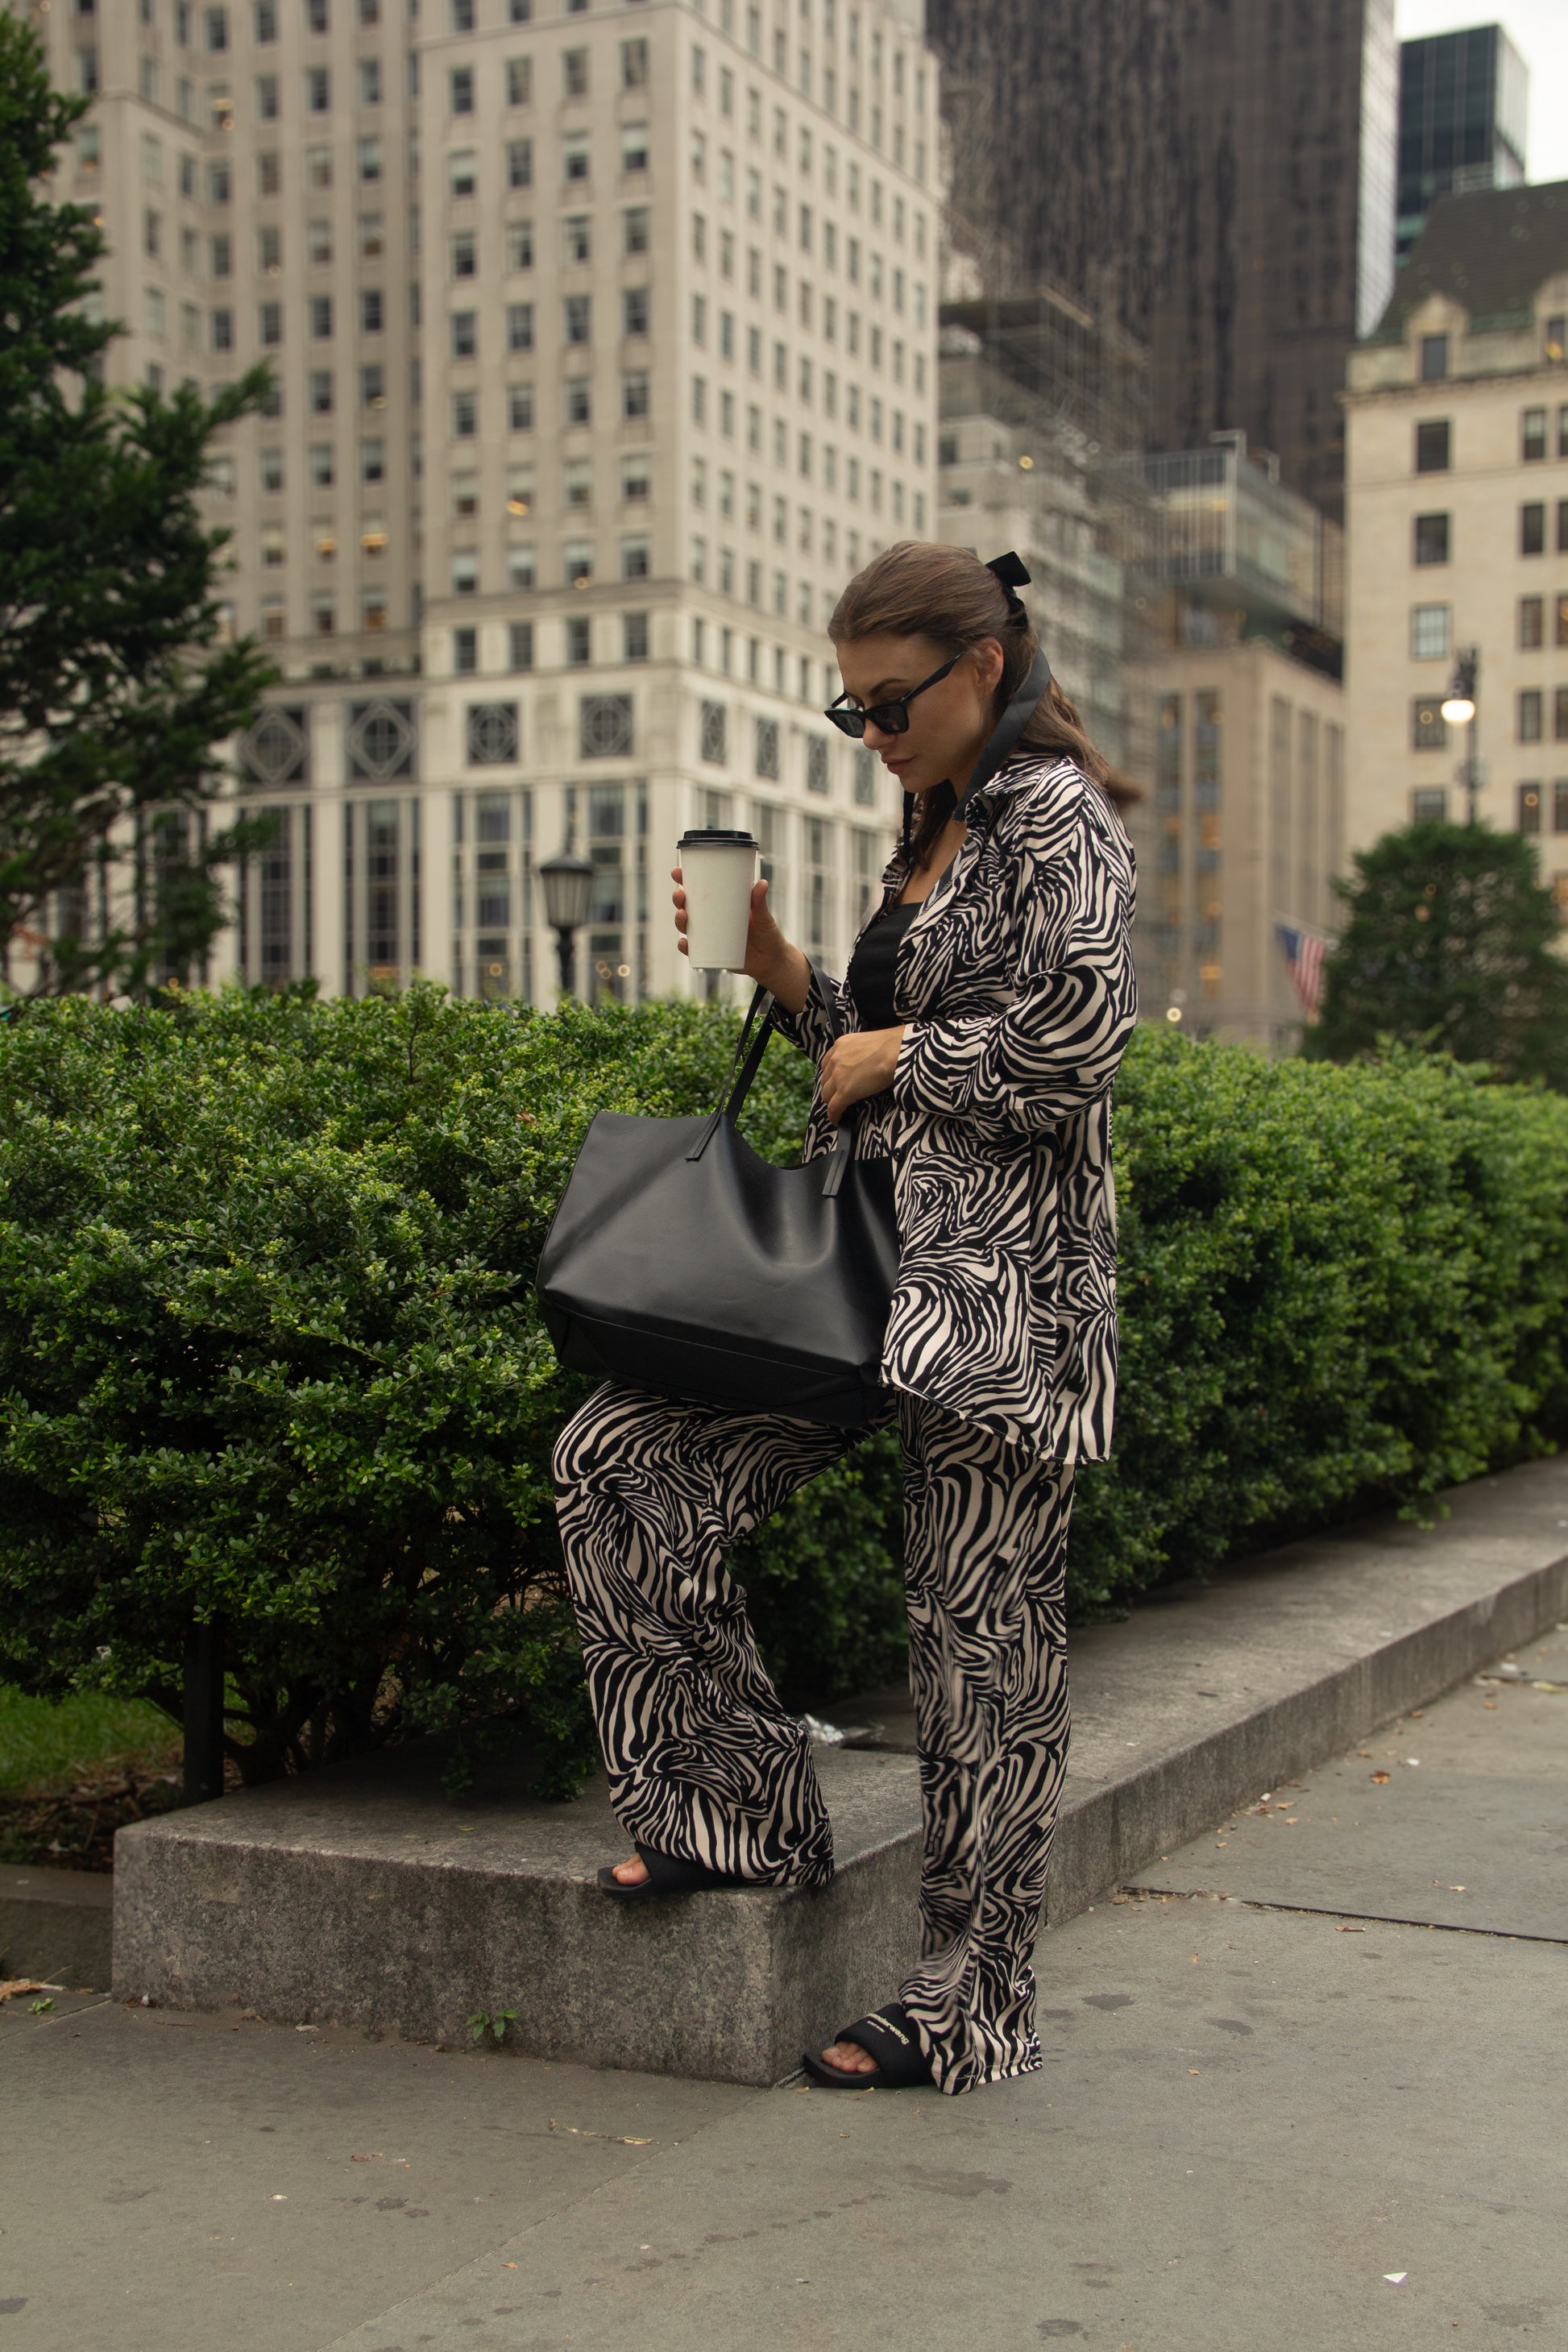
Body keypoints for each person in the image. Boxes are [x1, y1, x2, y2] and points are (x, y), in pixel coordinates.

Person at [551, 541, 1138, 2095]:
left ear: (984, 667)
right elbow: (867, 1048)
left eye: (890, 703)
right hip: (867, 1271)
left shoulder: (1055, 815)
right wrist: (782, 970)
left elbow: (1079, 1043)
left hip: (998, 1303)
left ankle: (972, 1999)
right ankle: (733, 1810)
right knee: (623, 1462)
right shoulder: (934, 815)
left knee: (978, 1646)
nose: (871, 733)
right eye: (850, 710)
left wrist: (901, 1059)